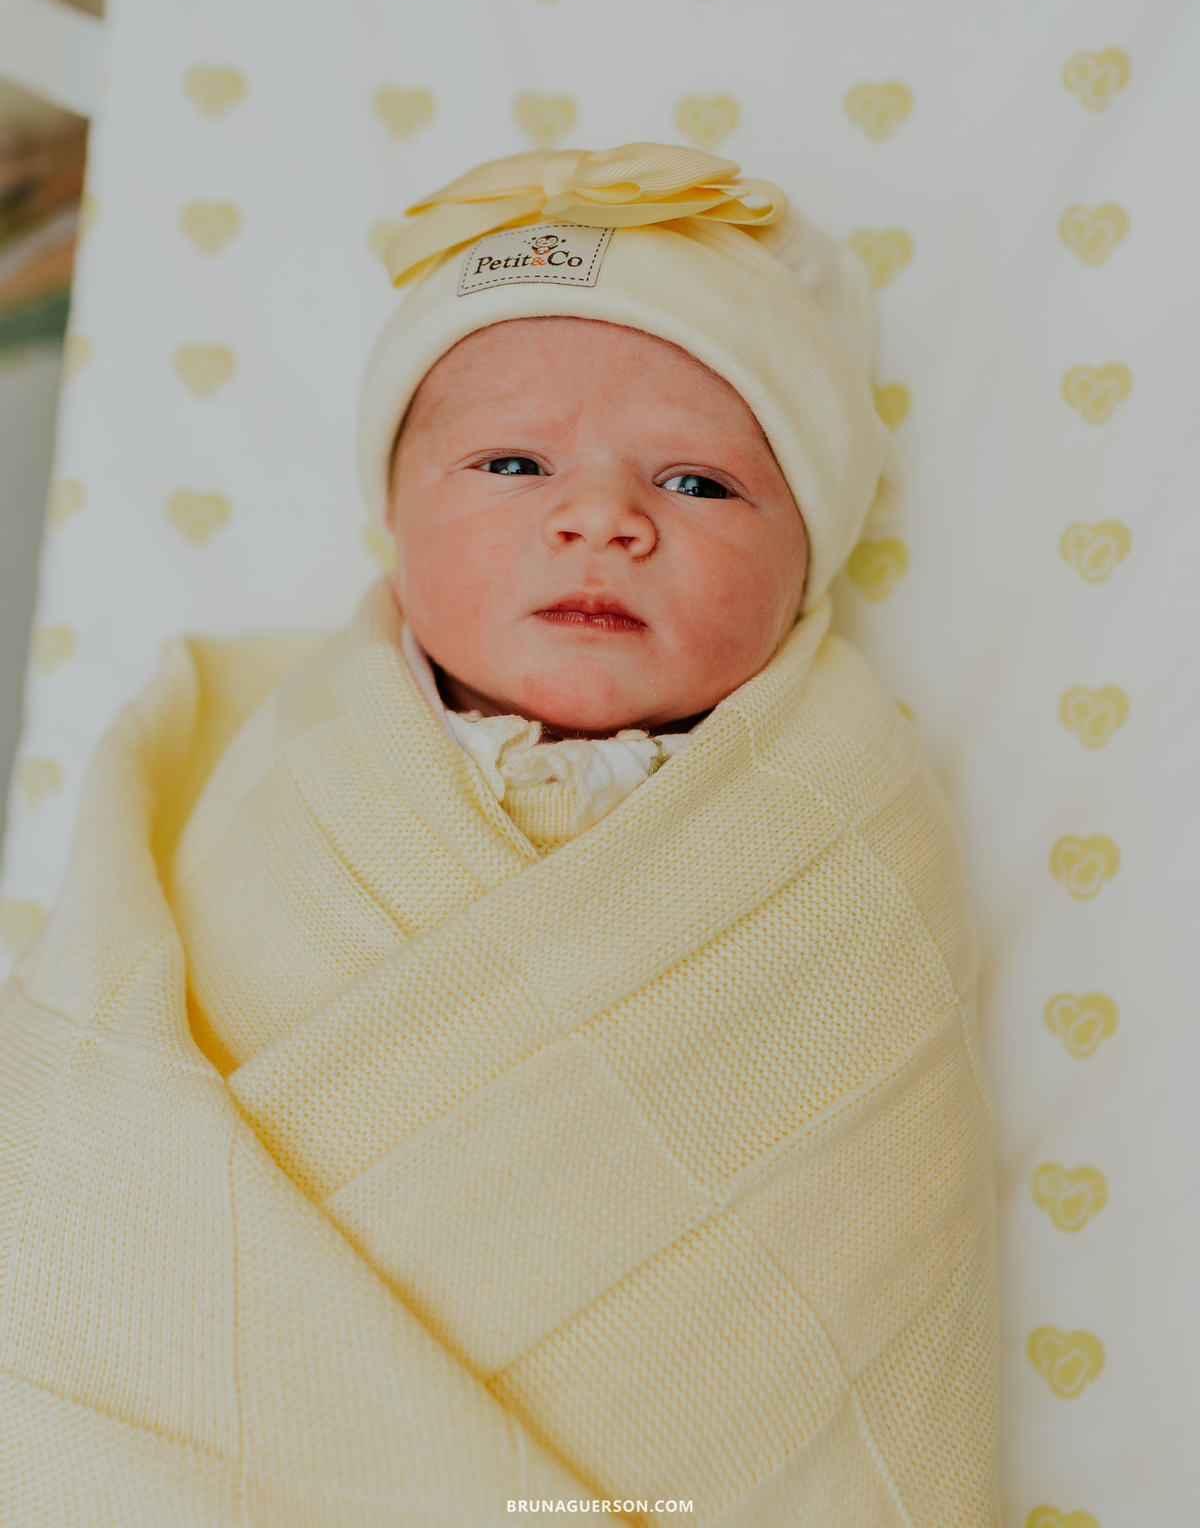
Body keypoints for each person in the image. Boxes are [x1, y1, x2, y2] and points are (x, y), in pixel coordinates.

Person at [0, 144, 998, 1525]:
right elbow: (110, 1078)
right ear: (396, 529)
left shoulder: (841, 827)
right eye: (513, 462)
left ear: (808, 563)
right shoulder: (278, 759)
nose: (602, 518)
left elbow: (870, 1194)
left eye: (700, 486)